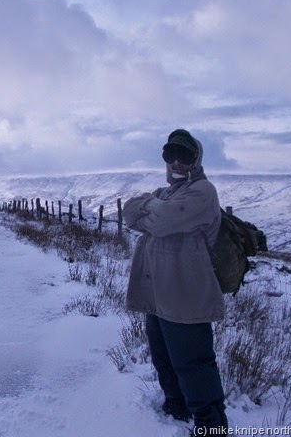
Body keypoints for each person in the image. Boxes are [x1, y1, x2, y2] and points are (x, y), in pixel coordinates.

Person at [123, 129, 228, 435]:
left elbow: (165, 221)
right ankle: (176, 407)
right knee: (164, 357)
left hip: (186, 296)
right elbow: (130, 214)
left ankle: (212, 425)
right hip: (158, 295)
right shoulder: (167, 194)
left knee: (194, 362)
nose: (177, 163)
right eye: (171, 156)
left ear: (196, 160)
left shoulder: (203, 192)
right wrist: (153, 207)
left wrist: (150, 207)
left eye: (185, 156)